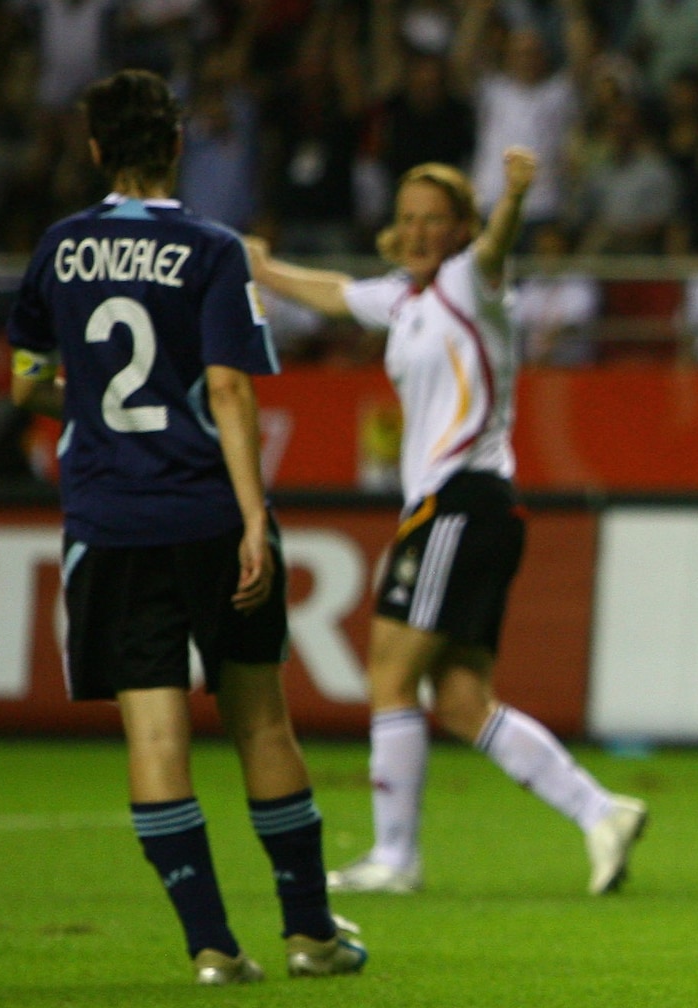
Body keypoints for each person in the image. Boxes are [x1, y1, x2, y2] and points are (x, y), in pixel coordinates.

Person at [5, 70, 366, 984]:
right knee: (260, 723)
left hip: (107, 517)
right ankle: (310, 935)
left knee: (154, 737)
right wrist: (255, 514)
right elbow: (231, 386)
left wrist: (79, 402)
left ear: (93, 149)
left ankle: (210, 946)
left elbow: (26, 384)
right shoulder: (209, 250)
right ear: (174, 146)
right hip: (204, 509)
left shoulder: (56, 248)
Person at [244, 149, 648, 896]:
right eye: (409, 219)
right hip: (466, 509)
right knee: (461, 701)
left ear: (460, 227)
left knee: (391, 673)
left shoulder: (472, 280)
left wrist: (514, 201)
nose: (422, 230)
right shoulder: (402, 299)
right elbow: (334, 293)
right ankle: (601, 812)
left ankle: (396, 858)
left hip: (459, 501)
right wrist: (262, 267)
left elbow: (496, 247)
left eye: (437, 219)